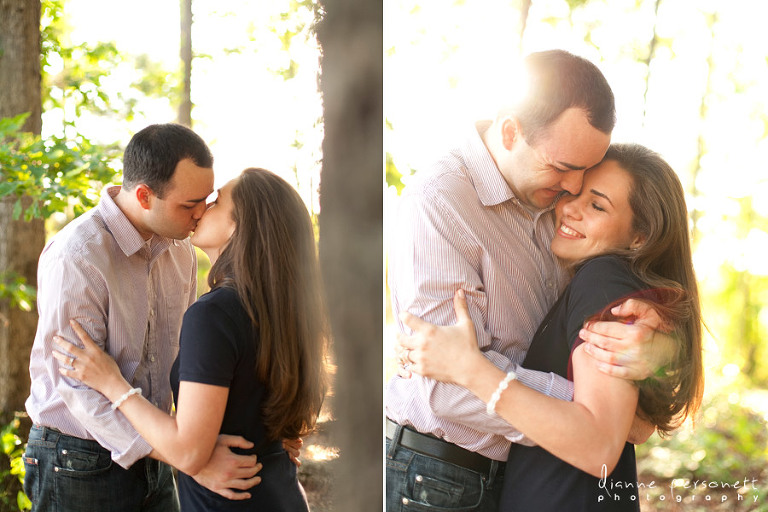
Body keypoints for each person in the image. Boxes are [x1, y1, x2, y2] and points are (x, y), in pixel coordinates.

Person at [386, 50, 673, 512]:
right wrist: (592, 412)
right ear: (510, 132)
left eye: (587, 170)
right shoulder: (440, 203)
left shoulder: (556, 209)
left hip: (526, 476)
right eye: (563, 167)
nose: (576, 187)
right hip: (441, 476)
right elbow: (443, 387)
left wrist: (654, 350)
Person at [52, 167, 329, 511]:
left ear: (237, 225)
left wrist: (112, 383)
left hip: (232, 499)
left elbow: (188, 452)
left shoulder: (214, 314)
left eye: (215, 202)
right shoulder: (284, 311)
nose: (201, 209)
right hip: (280, 493)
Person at [24, 124, 261, 512]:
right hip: (79, 460)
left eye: (207, 200)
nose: (201, 213)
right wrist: (188, 459)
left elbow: (191, 362)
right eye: (189, 205)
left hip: (156, 450)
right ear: (144, 196)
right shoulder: (78, 256)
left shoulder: (183, 251)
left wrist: (188, 446)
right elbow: (79, 390)